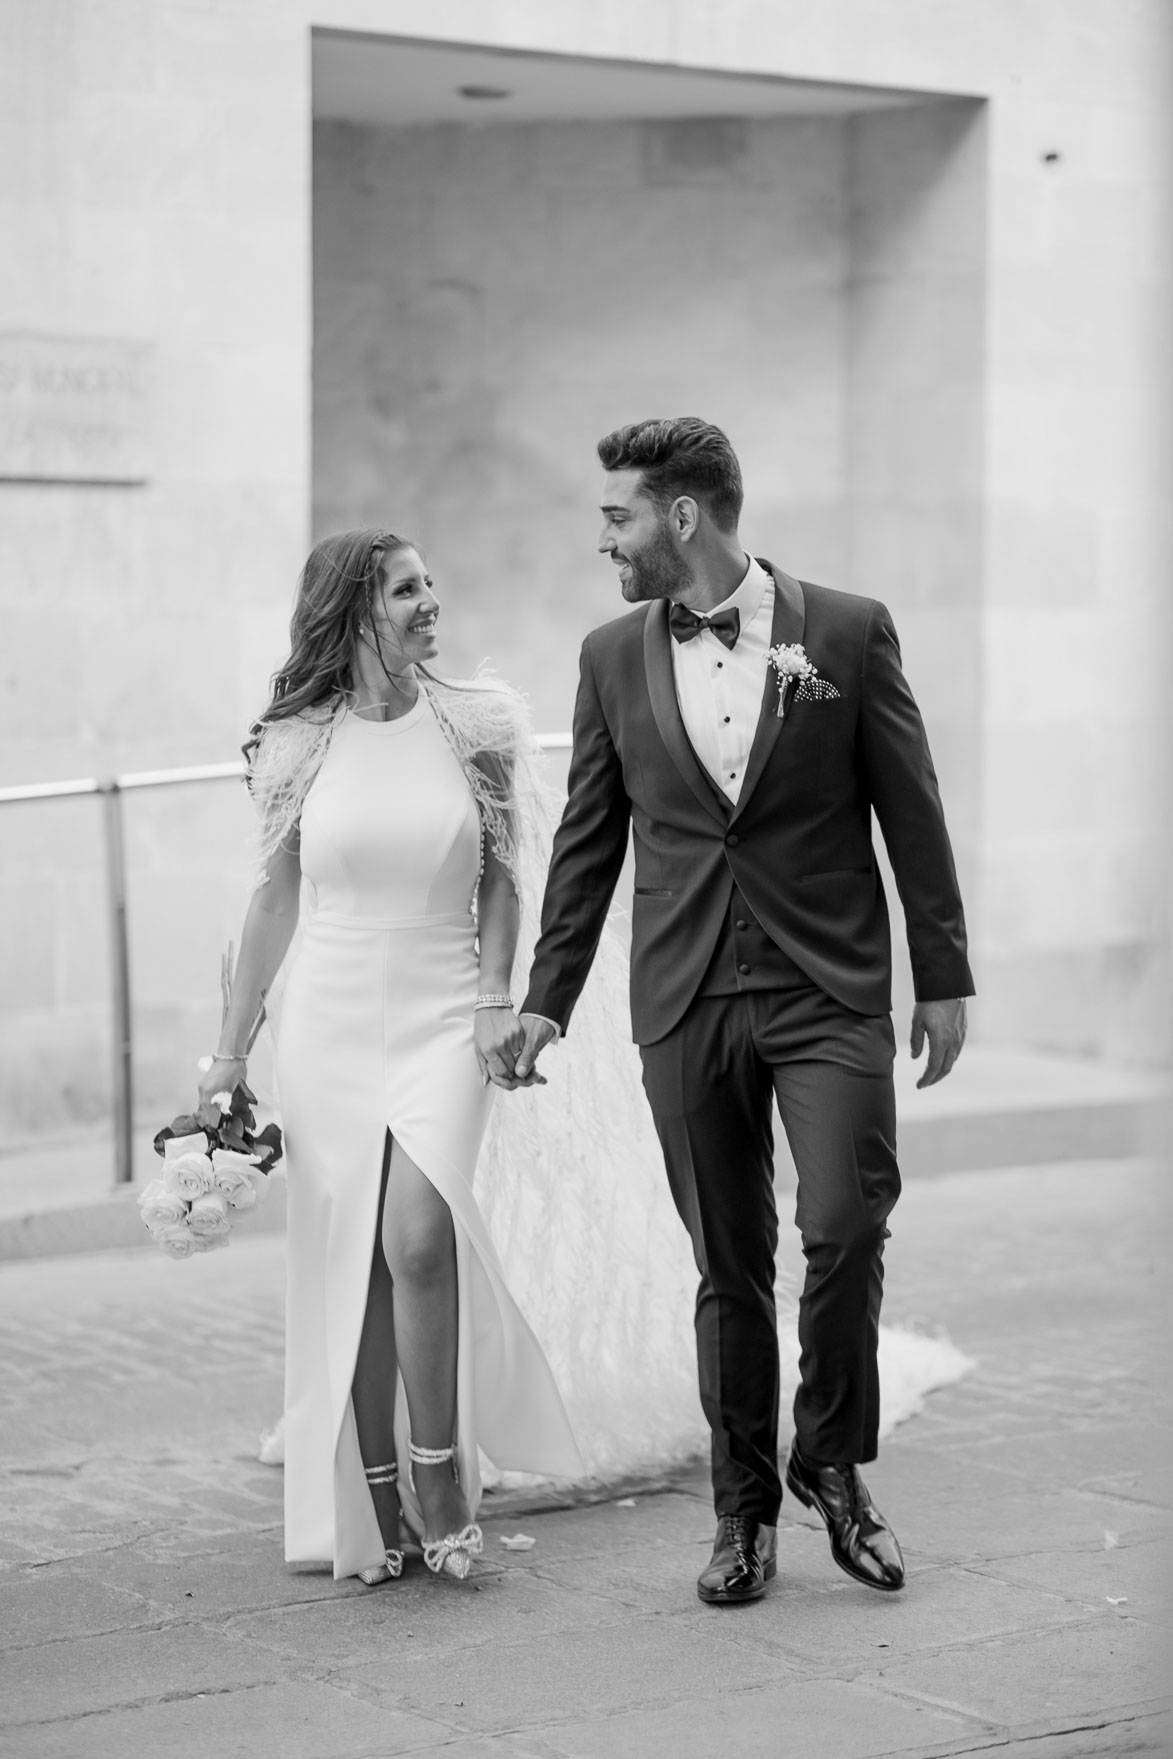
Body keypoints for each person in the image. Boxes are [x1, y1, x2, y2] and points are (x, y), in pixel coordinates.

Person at [511, 417, 974, 1605]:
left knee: (847, 1220)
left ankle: (830, 1457)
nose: (601, 536)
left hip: (827, 984)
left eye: (617, 515)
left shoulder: (849, 633)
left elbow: (908, 810)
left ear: (681, 517)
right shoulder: (612, 655)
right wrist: (547, 1003)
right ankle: (742, 1513)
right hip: (687, 991)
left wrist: (945, 970)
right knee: (728, 1265)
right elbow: (586, 846)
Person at [196, 528, 582, 1586]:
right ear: (354, 608)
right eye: (407, 589)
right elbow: (274, 898)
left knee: (418, 1235)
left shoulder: (479, 725)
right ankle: (373, 1506)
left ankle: (445, 1474)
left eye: (430, 584)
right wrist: (229, 1052)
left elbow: (504, 876)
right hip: (328, 1018)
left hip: (446, 1007)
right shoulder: (294, 742)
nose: (431, 603)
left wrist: (497, 1000)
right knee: (351, 1259)